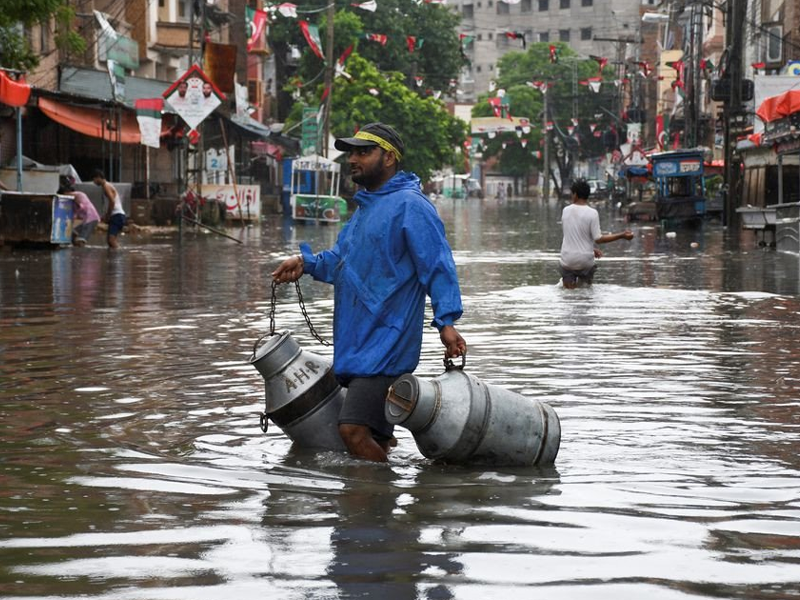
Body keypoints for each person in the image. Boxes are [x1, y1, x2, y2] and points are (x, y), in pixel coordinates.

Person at [272, 122, 467, 463]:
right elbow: (341, 262)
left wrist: (446, 323)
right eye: (351, 152)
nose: (352, 159)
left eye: (364, 152)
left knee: (352, 431)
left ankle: (378, 499)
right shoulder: (364, 210)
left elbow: (437, 265)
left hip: (386, 347)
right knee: (375, 438)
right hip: (360, 345)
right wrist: (305, 263)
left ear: (389, 157)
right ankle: (374, 507)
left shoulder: (411, 206)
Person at [559, 178, 634, 289]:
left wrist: (590, 249)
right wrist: (622, 235)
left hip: (568, 261)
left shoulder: (566, 210)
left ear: (575, 194)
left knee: (569, 292)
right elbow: (598, 239)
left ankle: (569, 285)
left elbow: (571, 236)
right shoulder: (592, 213)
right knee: (585, 290)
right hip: (586, 261)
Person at [59, 177, 100, 246]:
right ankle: (76, 250)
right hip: (86, 220)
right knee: (72, 234)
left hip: (91, 218)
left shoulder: (78, 194)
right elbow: (74, 214)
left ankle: (81, 253)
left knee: (81, 240)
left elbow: (81, 207)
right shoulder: (74, 202)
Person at [92, 169, 126, 248]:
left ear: (98, 177)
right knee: (110, 241)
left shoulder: (106, 186)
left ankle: (118, 258)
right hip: (117, 215)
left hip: (117, 215)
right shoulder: (106, 186)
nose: (94, 182)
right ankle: (113, 258)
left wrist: (108, 215)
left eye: (94, 179)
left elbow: (112, 201)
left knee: (111, 240)